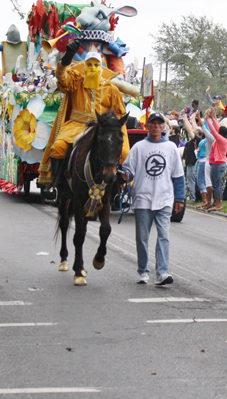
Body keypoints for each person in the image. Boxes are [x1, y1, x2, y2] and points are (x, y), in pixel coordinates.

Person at [39, 43, 129, 200]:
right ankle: (56, 183)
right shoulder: (76, 81)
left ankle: (117, 188)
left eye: (96, 64)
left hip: (102, 128)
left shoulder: (110, 89)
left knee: (123, 152)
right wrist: (67, 58)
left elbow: (119, 113)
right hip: (76, 125)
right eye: (89, 65)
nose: (93, 68)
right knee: (58, 147)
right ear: (84, 66)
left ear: (101, 67)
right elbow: (61, 78)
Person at [121, 113, 185, 286]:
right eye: (153, 123)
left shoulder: (171, 148)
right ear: (147, 126)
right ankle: (143, 271)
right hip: (142, 198)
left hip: (164, 199)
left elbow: (178, 175)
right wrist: (126, 175)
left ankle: (162, 272)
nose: (156, 127)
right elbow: (128, 168)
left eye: (159, 124)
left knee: (163, 236)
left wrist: (180, 198)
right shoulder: (138, 148)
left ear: (163, 127)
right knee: (142, 238)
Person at [204, 109, 227, 212]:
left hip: (217, 164)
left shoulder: (221, 140)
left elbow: (214, 131)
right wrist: (213, 118)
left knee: (216, 184)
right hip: (216, 164)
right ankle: (215, 202)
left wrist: (207, 120)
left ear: (221, 134)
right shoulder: (223, 138)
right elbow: (218, 128)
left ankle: (218, 204)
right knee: (216, 183)